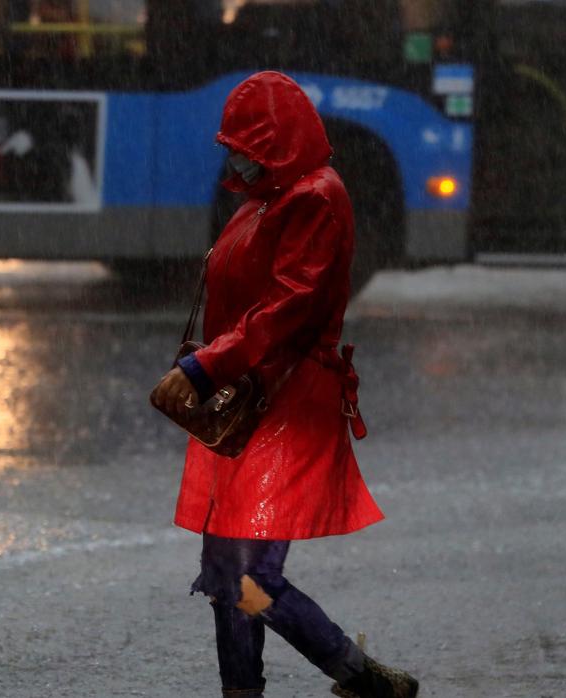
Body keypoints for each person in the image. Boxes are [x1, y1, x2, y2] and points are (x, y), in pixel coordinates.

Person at [151, 71, 419, 698]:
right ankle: (294, 685)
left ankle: (360, 677)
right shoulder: (271, 196)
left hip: (288, 406)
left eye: (242, 143)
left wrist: (202, 367)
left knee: (249, 574)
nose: (233, 156)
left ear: (273, 142)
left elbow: (288, 306)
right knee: (229, 572)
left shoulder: (313, 198)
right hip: (254, 405)